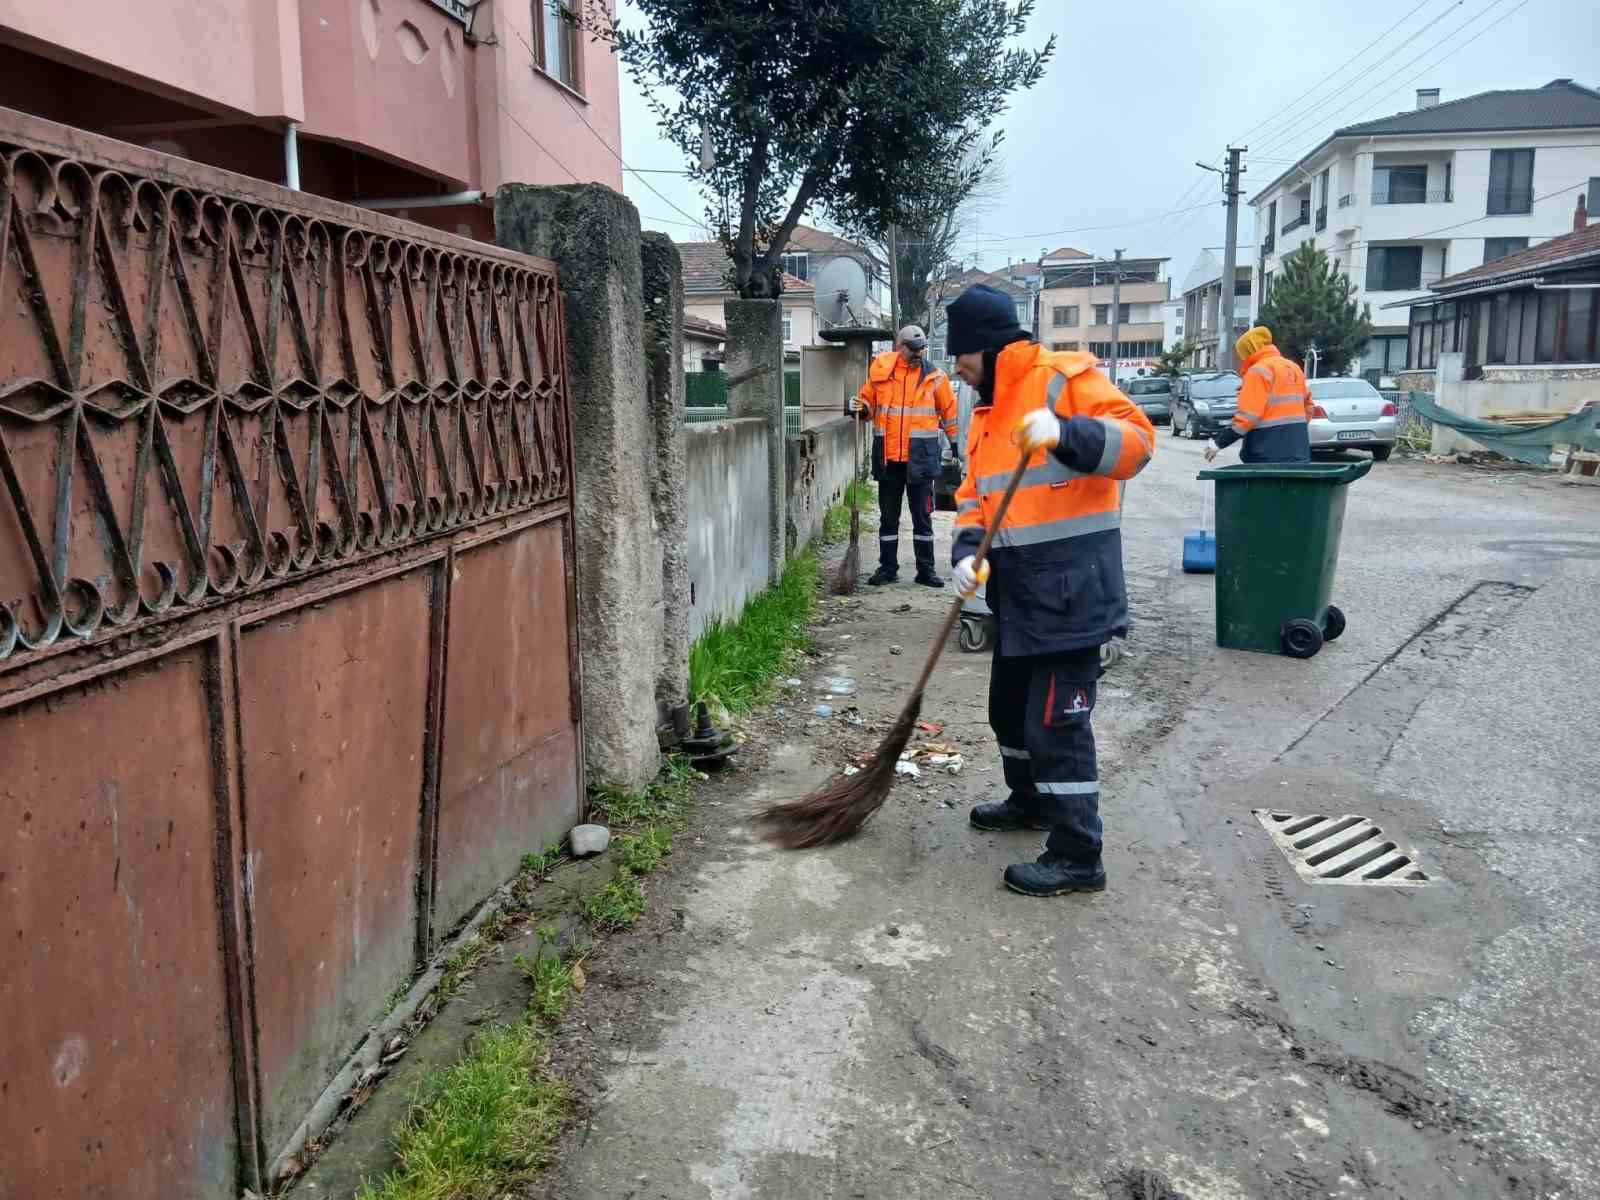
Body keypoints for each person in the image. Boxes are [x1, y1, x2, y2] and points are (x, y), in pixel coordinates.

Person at [944, 284, 1155, 897]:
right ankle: (1030, 800)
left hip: (1073, 593)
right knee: (1009, 712)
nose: (956, 368)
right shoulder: (986, 414)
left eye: (961, 355)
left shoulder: (1061, 380)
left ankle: (1078, 854)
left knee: (1056, 726)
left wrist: (1066, 433)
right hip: (1018, 595)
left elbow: (1137, 444)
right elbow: (973, 499)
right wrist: (966, 556)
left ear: (988, 347)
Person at [851, 324, 959, 586]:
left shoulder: (936, 378)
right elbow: (868, 405)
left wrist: (955, 445)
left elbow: (950, 413)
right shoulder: (881, 374)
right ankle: (888, 568)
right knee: (888, 518)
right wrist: (860, 408)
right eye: (913, 348)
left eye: (922, 348)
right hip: (888, 459)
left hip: (921, 459)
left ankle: (926, 570)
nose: (919, 353)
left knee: (922, 517)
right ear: (900, 347)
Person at [1203, 325, 1312, 464]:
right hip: (1299, 450)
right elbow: (1309, 408)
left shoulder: (1258, 371)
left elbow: (1247, 417)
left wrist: (1218, 443)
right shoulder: (1294, 368)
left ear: (1249, 350)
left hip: (1267, 452)